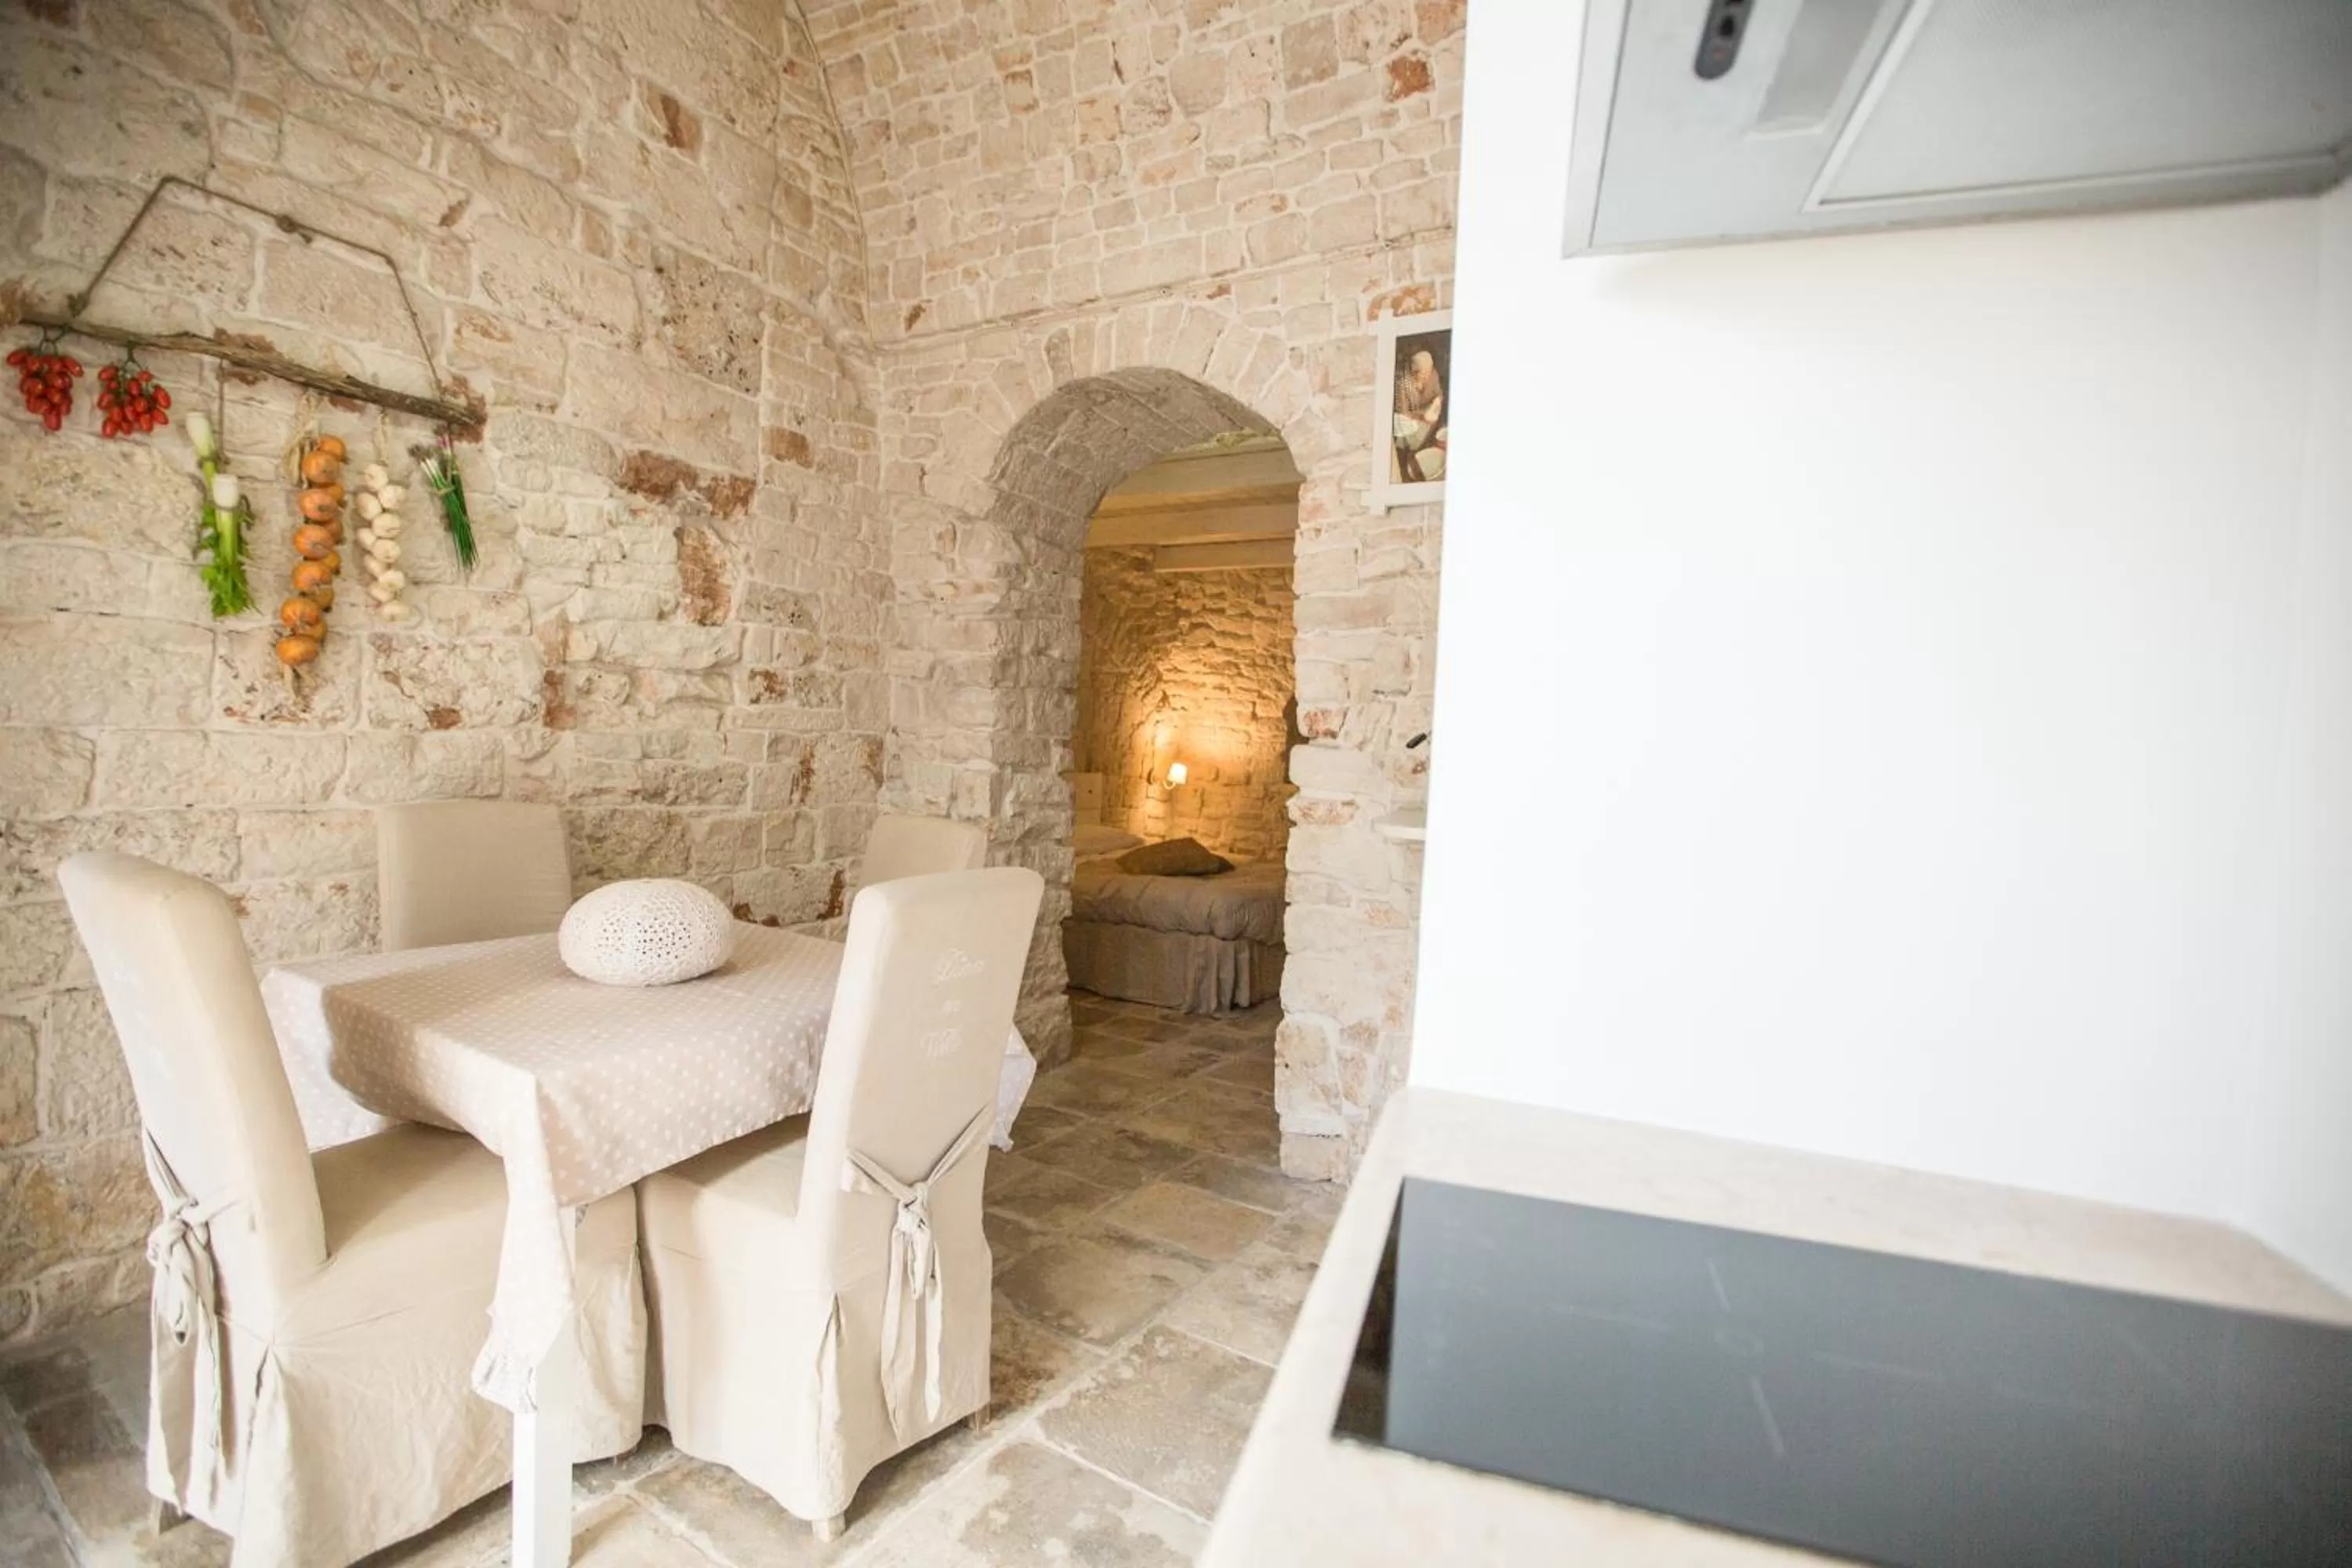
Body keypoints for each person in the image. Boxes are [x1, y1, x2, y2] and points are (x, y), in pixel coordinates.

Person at [1393, 347, 1446, 481]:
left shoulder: (1432, 374)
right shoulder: (1402, 383)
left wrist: (1437, 402)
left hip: (1429, 419)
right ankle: (1413, 458)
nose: (1428, 376)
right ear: (1414, 372)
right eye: (1424, 373)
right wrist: (1423, 416)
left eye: (1429, 371)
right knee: (1410, 438)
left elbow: (1439, 393)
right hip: (1412, 422)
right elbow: (1403, 412)